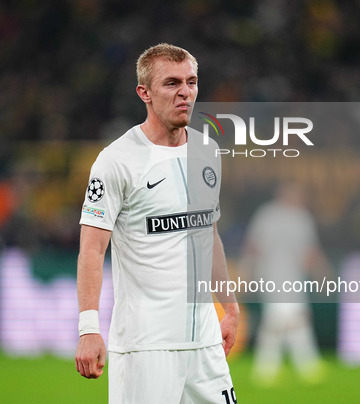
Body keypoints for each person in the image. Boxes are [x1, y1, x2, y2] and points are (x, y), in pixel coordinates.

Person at [74, 44, 240, 403]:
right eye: (172, 83)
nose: (185, 92)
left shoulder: (207, 152)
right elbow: (91, 248)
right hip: (146, 348)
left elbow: (208, 234)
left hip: (205, 344)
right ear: (144, 93)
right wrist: (89, 328)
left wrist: (230, 306)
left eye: (192, 81)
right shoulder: (116, 161)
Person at [242, 180, 331, 385]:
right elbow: (254, 247)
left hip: (292, 277)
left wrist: (320, 274)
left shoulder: (301, 217)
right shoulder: (269, 215)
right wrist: (247, 273)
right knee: (285, 320)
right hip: (271, 276)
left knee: (286, 320)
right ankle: (299, 367)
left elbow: (309, 253)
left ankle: (274, 368)